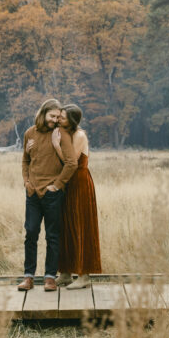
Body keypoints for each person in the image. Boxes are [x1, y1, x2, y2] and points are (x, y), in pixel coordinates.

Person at [18, 98, 77, 292]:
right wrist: (26, 182)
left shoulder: (61, 134)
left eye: (58, 117)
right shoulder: (30, 134)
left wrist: (58, 185)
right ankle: (28, 277)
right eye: (52, 116)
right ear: (43, 113)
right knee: (31, 233)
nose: (55, 120)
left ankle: (50, 277)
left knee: (52, 236)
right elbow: (25, 160)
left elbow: (71, 163)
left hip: (52, 194)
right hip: (33, 193)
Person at [53, 104, 102, 289]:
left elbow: (71, 161)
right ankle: (65, 273)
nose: (59, 120)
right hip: (68, 184)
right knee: (66, 227)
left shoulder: (79, 135)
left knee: (81, 227)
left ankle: (84, 276)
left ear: (72, 120)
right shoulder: (64, 133)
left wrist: (57, 146)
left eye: (63, 117)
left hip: (80, 183)